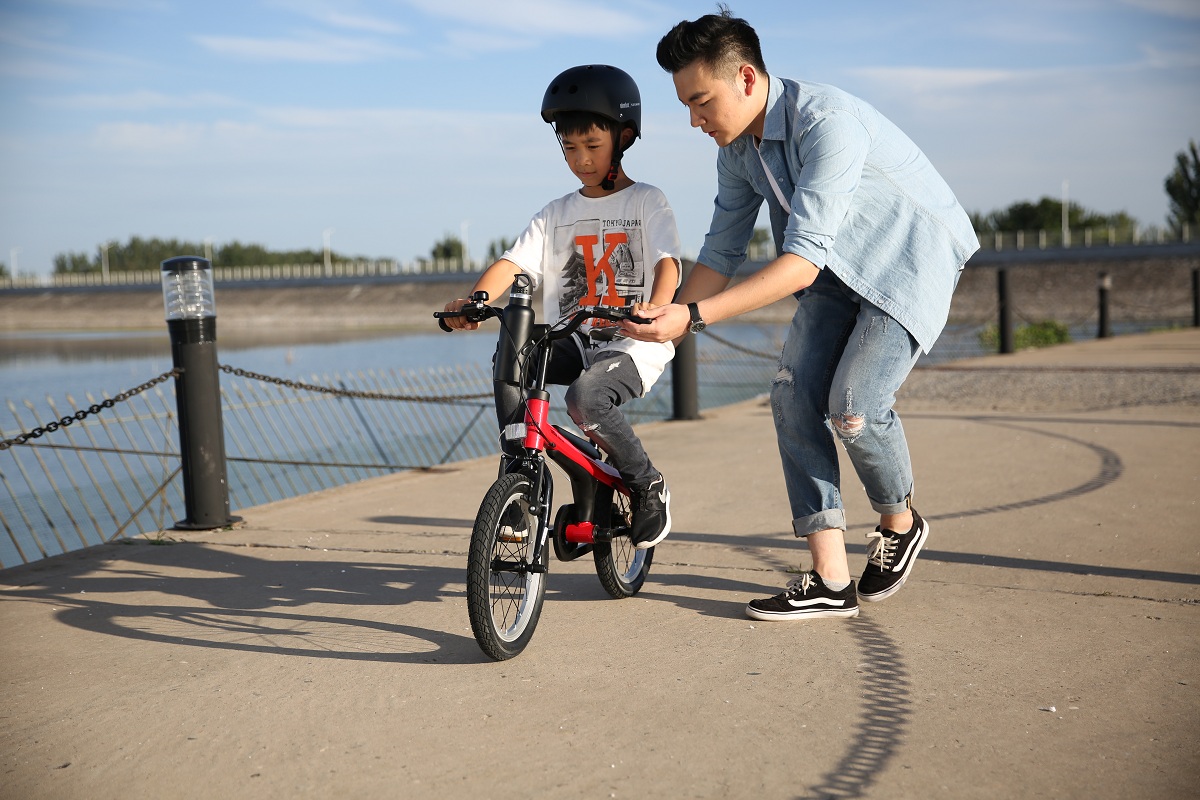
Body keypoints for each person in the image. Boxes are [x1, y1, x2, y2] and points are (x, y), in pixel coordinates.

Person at [625, 7, 979, 617]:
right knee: (791, 395)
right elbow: (719, 254)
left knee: (853, 408)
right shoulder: (737, 152)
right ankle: (832, 582)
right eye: (685, 105)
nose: (694, 119)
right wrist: (662, 314)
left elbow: (799, 263)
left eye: (701, 100)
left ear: (745, 78)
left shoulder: (826, 122)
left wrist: (695, 319)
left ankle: (899, 521)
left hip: (906, 262)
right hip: (834, 273)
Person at [442, 64, 681, 550]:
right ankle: (517, 471)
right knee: (514, 351)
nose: (581, 160)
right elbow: (512, 262)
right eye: (570, 148)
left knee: (585, 399)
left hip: (631, 341)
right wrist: (477, 300)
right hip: (571, 333)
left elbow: (668, 264)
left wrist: (655, 310)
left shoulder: (647, 202)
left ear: (624, 138)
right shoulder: (556, 214)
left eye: (592, 147)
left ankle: (646, 483)